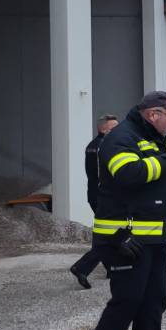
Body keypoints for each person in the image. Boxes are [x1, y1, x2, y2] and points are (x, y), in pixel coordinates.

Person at [75, 91, 166, 330]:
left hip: (151, 238)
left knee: (154, 299)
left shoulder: (149, 139)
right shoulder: (121, 138)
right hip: (123, 238)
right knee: (126, 303)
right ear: (153, 115)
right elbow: (128, 174)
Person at [69, 114, 119, 289]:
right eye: (114, 128)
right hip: (104, 197)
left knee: (107, 234)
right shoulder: (104, 147)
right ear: (103, 129)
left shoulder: (93, 145)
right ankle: (82, 267)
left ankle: (111, 268)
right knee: (110, 235)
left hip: (96, 195)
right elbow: (105, 175)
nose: (118, 131)